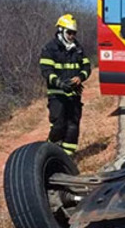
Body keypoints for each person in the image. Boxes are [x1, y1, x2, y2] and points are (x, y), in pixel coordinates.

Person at [39, 14, 91, 155]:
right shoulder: (50, 48)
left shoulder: (78, 48)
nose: (72, 36)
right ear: (61, 30)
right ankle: (48, 153)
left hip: (74, 95)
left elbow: (87, 67)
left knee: (73, 127)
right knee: (58, 125)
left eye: (74, 33)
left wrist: (80, 77)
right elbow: (46, 71)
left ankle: (68, 157)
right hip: (57, 95)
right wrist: (60, 83)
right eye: (69, 32)